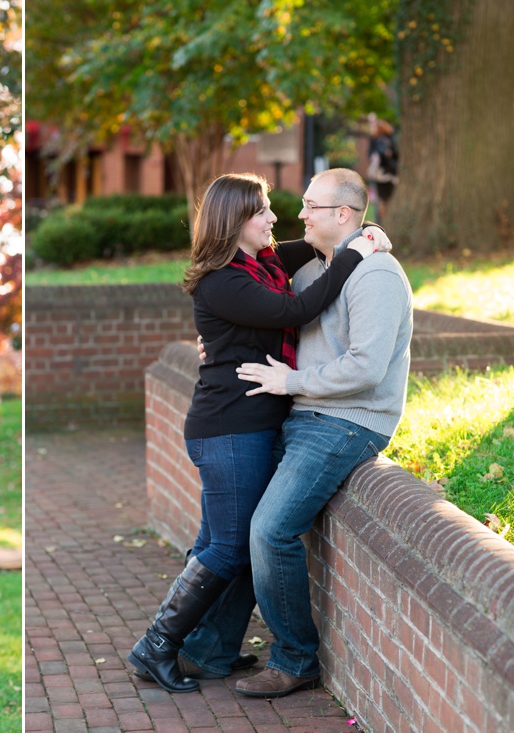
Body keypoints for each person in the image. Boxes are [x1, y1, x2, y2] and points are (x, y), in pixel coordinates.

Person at [126, 172, 387, 694]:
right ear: (235, 221)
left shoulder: (264, 261)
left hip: (249, 425)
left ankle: (208, 651)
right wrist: (358, 255)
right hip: (229, 429)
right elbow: (297, 309)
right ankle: (156, 646)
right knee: (226, 547)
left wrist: (365, 233)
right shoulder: (224, 281)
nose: (275, 219)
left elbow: (331, 235)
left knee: (216, 542)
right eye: (263, 212)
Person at [230, 167, 413, 697]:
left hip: (348, 421)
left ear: (343, 215)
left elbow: (367, 367)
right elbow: (254, 296)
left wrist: (293, 381)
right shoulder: (315, 268)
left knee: (270, 530)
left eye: (311, 206)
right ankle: (210, 647)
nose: (299, 214)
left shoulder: (376, 275)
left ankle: (295, 660)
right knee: (237, 523)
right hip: (303, 412)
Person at [366, 113, 398, 223]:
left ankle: (383, 221)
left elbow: (376, 157)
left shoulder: (378, 141)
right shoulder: (390, 141)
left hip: (381, 175)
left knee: (382, 201)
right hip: (390, 175)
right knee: (387, 200)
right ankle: (385, 220)